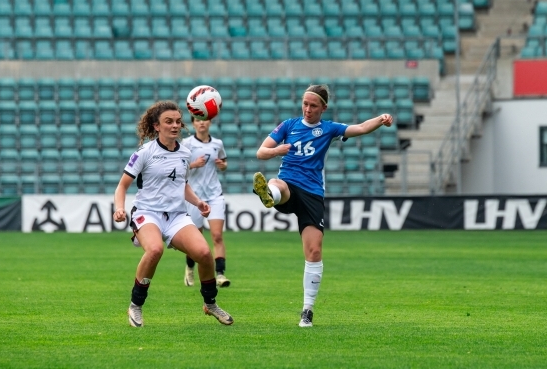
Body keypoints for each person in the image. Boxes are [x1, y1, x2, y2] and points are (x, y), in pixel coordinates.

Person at [252, 84, 394, 327]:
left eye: (313, 105)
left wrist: (381, 119)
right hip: (289, 184)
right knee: (280, 185)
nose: (307, 109)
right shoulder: (289, 125)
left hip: (313, 193)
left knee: (314, 252)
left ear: (323, 108)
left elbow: (359, 128)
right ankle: (269, 194)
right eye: (305, 104)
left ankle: (307, 310)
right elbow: (261, 152)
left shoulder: (328, 129)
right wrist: (278, 150)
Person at [113, 100, 234, 328]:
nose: (175, 126)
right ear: (156, 126)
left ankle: (210, 303)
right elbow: (122, 186)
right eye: (168, 122)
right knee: (155, 250)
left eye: (178, 121)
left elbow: (181, 184)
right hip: (147, 213)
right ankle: (136, 305)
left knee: (204, 253)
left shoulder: (185, 153)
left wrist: (198, 202)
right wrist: (119, 208)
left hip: (177, 215)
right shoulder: (144, 153)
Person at [182, 116, 230, 288]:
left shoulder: (217, 143)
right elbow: (179, 168)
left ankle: (220, 274)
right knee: (197, 239)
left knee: (217, 235)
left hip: (214, 194)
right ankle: (189, 266)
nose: (202, 123)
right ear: (193, 123)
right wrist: (194, 164)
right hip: (194, 197)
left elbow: (224, 162)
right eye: (198, 120)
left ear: (209, 122)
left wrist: (222, 165)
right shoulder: (186, 144)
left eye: (205, 120)